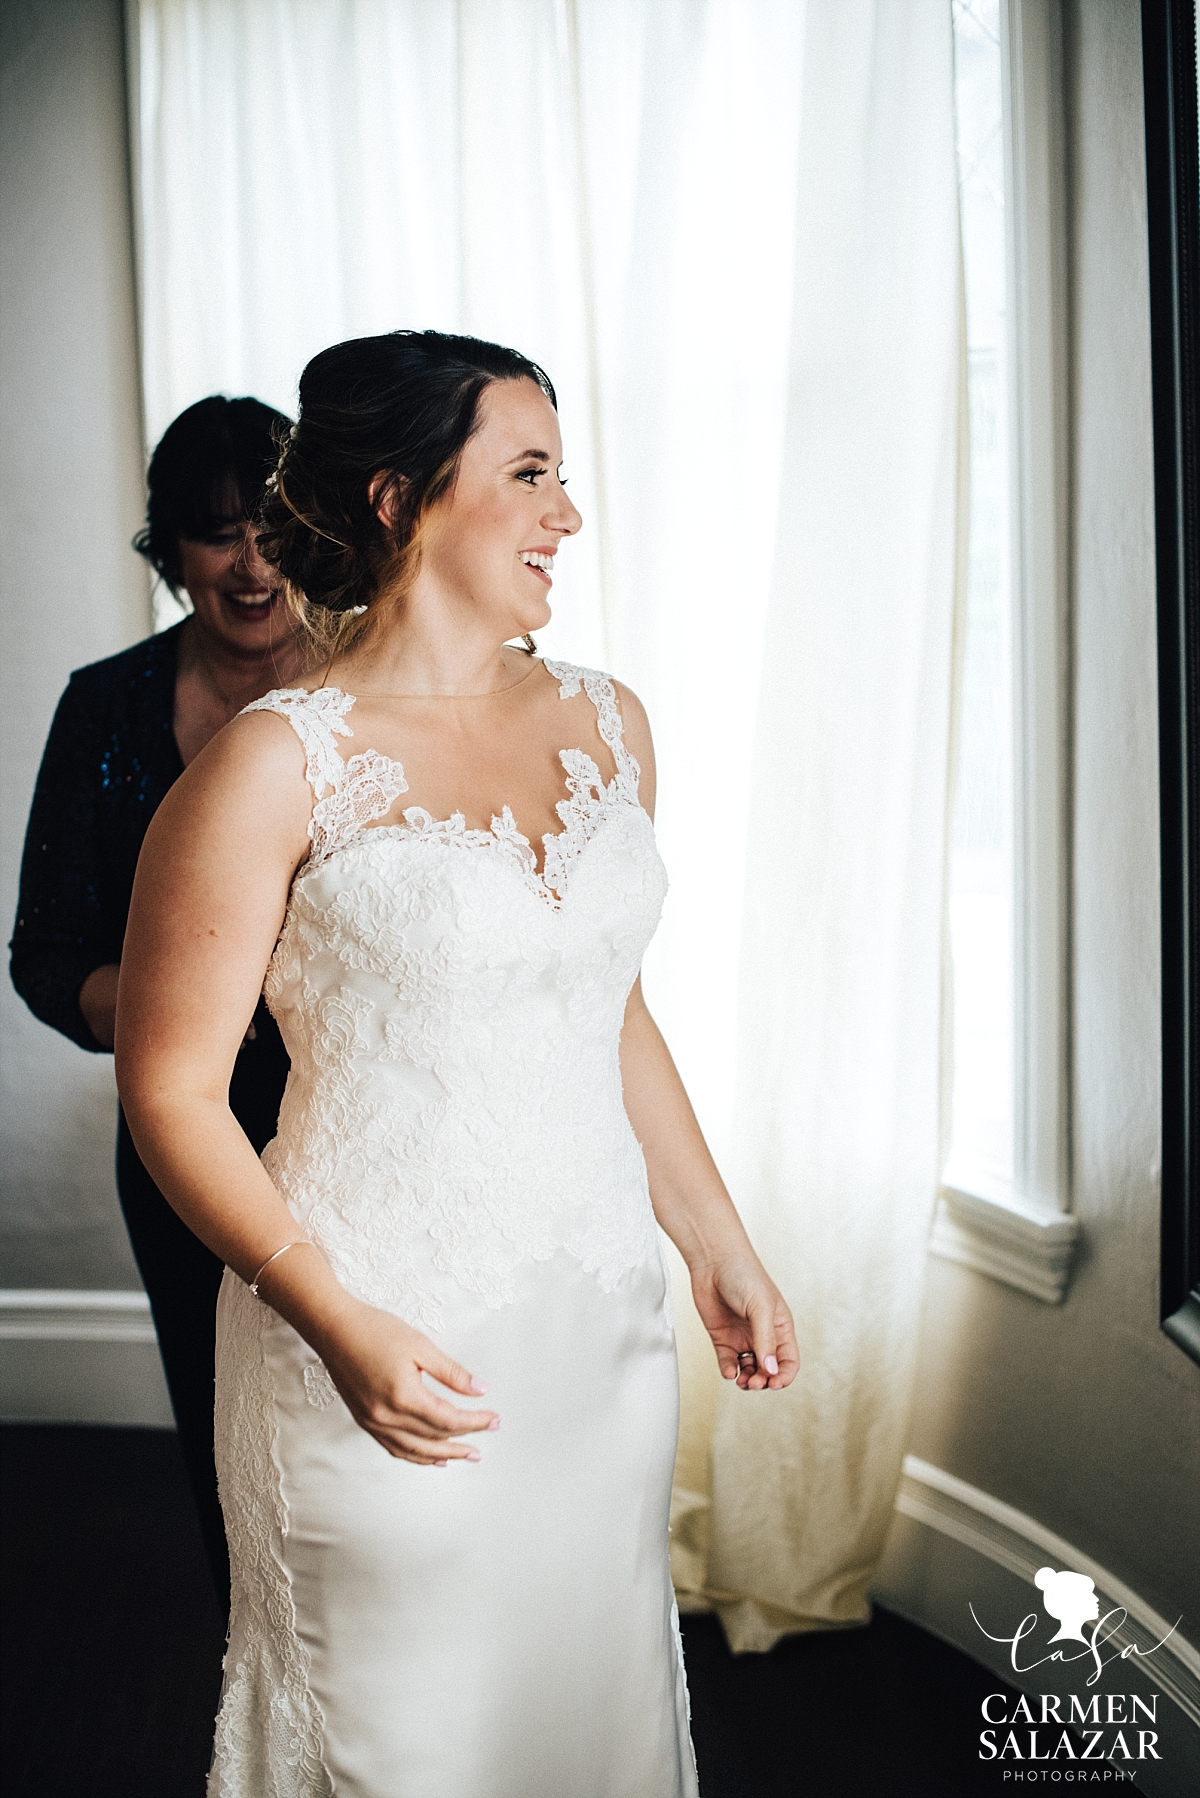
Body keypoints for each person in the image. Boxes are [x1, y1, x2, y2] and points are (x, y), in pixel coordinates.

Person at [114, 330, 799, 1796]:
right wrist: (333, 1316)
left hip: (596, 1327)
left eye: (566, 475)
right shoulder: (271, 762)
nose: (566, 513)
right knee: (400, 1732)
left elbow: (606, 1008)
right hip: (367, 1325)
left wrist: (715, 1240)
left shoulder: (611, 726)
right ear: (398, 496)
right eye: (531, 472)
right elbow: (169, 1089)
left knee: (582, 1704)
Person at [10, 395, 304, 1610]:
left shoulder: (372, 698)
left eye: (274, 528)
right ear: (170, 552)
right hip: (182, 1142)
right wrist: (169, 1007)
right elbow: (42, 953)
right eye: (215, 533)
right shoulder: (105, 708)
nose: (250, 564)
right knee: (223, 1415)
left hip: (362, 1119)